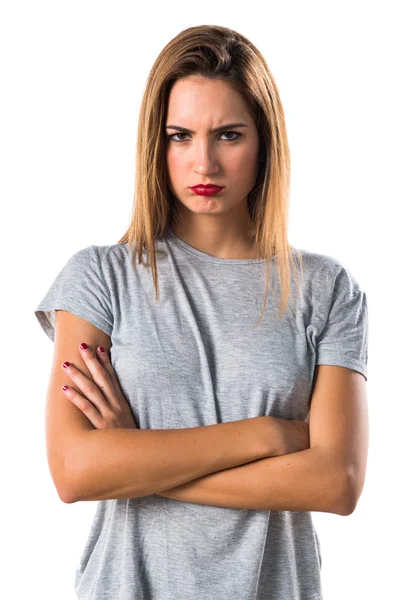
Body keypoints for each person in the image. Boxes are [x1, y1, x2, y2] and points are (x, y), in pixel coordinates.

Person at [34, 24, 369, 600]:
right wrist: (269, 434)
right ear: (154, 143)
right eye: (180, 135)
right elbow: (75, 470)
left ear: (264, 142)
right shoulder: (100, 278)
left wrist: (137, 457)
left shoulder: (325, 289)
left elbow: (336, 482)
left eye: (229, 135)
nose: (204, 162)